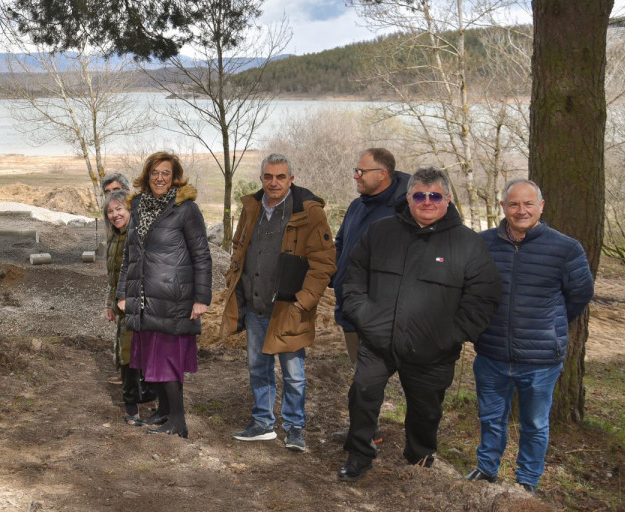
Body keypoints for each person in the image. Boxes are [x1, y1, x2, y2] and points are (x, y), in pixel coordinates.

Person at [338, 167, 501, 481]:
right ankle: (359, 453)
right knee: (362, 394)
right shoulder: (380, 232)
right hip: (378, 341)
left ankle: (419, 460)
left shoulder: (467, 244)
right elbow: (353, 277)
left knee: (426, 411)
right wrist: (366, 318)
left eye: (435, 196)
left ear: (448, 199)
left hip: (433, 350)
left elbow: (484, 296)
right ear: (408, 198)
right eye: (419, 196)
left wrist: (450, 335)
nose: (427, 202)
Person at [468, 180, 593, 495]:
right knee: (490, 417)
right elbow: (470, 290)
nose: (520, 210)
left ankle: (527, 482)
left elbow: (580, 295)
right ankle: (486, 470)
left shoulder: (566, 248)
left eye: (527, 204)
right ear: (503, 207)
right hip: (492, 352)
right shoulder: (482, 244)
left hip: (540, 359)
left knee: (535, 425)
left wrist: (548, 326)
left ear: (541, 206)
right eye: (513, 204)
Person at [221, 154, 335, 452]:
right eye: (268, 176)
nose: (274, 182)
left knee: (294, 373)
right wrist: (233, 276)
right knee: (259, 368)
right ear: (262, 178)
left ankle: (295, 427)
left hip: (289, 308)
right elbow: (239, 246)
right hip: (255, 306)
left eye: (280, 177)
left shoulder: (309, 213)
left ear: (291, 179)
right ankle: (262, 422)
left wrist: (303, 301)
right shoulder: (251, 208)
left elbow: (323, 262)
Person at [116, 151, 212, 438]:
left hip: (173, 297)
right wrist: (123, 293)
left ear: (174, 177)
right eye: (155, 172)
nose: (160, 178)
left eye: (166, 173)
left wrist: (201, 298)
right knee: (150, 359)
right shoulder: (140, 205)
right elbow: (129, 255)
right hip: (143, 297)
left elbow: (202, 255)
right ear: (147, 176)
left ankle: (178, 422)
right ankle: (163, 412)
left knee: (168, 360)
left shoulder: (185, 208)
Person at [329, 148, 410, 444]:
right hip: (350, 310)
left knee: (369, 377)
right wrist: (335, 276)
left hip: (379, 312)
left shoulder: (403, 210)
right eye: (356, 170)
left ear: (383, 174)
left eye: (362, 172)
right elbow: (340, 244)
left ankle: (367, 437)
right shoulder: (357, 206)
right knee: (361, 376)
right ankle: (364, 431)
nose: (356, 176)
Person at [103, 189, 153, 421]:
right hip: (122, 304)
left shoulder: (141, 236)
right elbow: (112, 276)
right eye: (110, 211)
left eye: (119, 209)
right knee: (127, 352)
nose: (115, 214)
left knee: (141, 351)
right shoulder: (114, 237)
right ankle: (131, 402)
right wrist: (109, 303)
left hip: (141, 303)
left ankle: (146, 398)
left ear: (130, 210)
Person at [100, 171, 132, 384]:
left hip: (135, 300)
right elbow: (113, 273)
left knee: (132, 344)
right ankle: (126, 377)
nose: (113, 194)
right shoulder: (114, 232)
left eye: (117, 190)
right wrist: (110, 302)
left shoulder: (136, 229)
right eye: (108, 192)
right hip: (121, 297)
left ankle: (140, 391)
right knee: (123, 340)